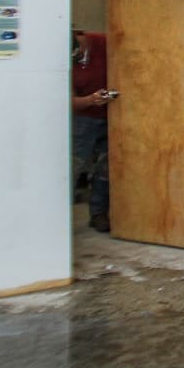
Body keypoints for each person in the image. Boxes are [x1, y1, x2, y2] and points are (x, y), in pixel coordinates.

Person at [71, 30, 112, 233]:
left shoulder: (102, 41)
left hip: (113, 115)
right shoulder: (65, 61)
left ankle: (99, 213)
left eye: (77, 54)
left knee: (106, 167)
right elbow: (69, 101)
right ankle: (58, 218)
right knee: (74, 165)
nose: (75, 60)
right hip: (84, 118)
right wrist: (90, 100)